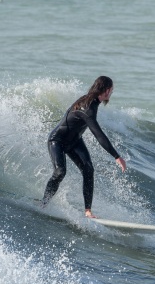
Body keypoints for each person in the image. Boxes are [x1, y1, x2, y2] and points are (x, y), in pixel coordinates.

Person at [41, 76, 126, 218]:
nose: (111, 93)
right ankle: (43, 203)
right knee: (60, 171)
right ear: (106, 90)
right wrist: (117, 156)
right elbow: (99, 135)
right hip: (57, 140)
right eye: (111, 90)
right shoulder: (88, 107)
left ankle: (88, 211)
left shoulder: (92, 101)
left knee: (88, 169)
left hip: (74, 141)